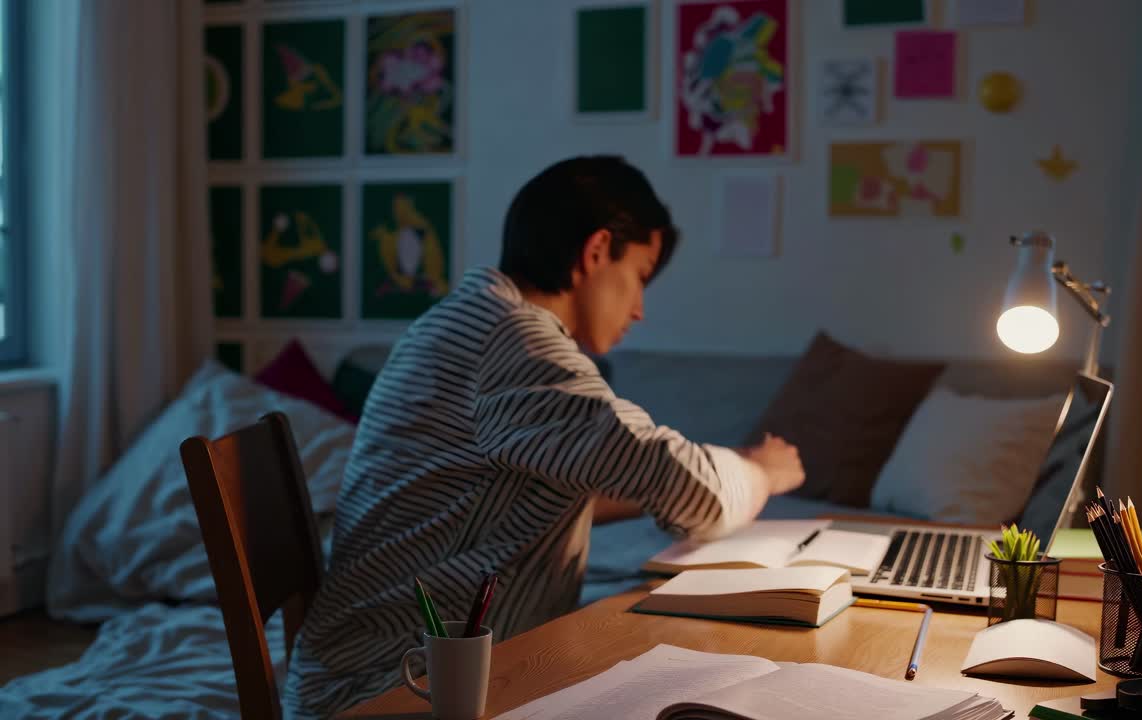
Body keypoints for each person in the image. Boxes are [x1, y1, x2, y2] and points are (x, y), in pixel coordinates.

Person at [283, 156, 805, 717]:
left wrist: (646, 495)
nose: (639, 309)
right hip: (391, 690)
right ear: (597, 251)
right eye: (640, 278)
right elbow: (687, 483)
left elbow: (508, 489)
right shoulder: (514, 343)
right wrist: (764, 468)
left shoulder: (472, 320)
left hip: (396, 673)